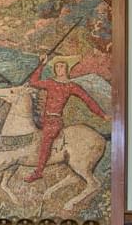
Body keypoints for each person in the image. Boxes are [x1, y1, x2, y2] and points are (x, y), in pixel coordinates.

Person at [25, 53, 107, 182]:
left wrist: (102, 114)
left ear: (67, 69)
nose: (59, 69)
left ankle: (39, 171)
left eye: (62, 66)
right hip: (42, 117)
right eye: (57, 66)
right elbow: (33, 82)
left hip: (54, 120)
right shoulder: (50, 83)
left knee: (47, 138)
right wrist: (41, 65)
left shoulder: (71, 86)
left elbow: (88, 100)